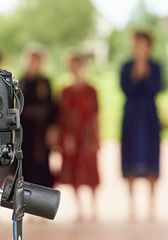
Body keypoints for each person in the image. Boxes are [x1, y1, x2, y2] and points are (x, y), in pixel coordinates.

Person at [120, 31, 162, 221]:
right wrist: (138, 73)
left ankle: (152, 206)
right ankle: (131, 206)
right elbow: (126, 88)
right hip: (131, 116)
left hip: (149, 116)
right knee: (129, 159)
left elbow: (155, 87)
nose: (138, 47)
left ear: (149, 46)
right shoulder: (126, 66)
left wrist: (143, 69)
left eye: (142, 44)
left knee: (152, 159)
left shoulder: (156, 66)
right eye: (136, 44)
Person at [57, 54, 100, 221]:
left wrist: (96, 138)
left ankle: (94, 208)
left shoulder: (91, 90)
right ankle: (80, 209)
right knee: (73, 169)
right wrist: (65, 137)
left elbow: (96, 115)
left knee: (91, 169)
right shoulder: (65, 91)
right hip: (71, 135)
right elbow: (62, 117)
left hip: (87, 134)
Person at [20, 44, 55, 188]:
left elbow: (51, 106)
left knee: (42, 163)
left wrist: (53, 128)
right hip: (25, 130)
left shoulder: (45, 82)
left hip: (41, 129)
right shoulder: (21, 82)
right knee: (26, 163)